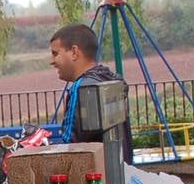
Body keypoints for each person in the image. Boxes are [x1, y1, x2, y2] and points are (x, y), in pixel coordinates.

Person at [49, 22, 134, 163]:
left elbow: (70, 148)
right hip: (120, 173)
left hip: (95, 180)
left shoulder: (82, 89)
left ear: (74, 52)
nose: (51, 61)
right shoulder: (110, 81)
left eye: (55, 53)